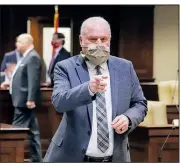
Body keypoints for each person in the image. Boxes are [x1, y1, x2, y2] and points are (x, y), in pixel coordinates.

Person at [44, 17, 147, 163]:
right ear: (81, 40)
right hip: (73, 157)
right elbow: (59, 102)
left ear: (110, 40)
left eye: (104, 39)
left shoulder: (125, 67)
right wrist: (88, 89)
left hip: (115, 158)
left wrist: (128, 118)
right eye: (93, 39)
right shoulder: (65, 67)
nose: (99, 45)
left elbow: (140, 104)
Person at [10, 33, 42, 162]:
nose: (16, 44)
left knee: (14, 132)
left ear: (26, 43)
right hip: (23, 100)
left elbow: (33, 80)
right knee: (33, 132)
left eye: (18, 42)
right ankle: (37, 160)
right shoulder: (27, 56)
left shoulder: (32, 57)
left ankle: (11, 158)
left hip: (25, 101)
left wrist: (30, 99)